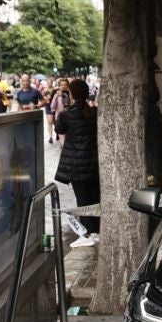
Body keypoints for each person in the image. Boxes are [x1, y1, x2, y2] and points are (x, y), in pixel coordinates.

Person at [53, 77, 99, 242]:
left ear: (71, 94)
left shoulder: (67, 114)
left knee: (83, 199)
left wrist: (65, 108)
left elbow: (59, 129)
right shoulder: (94, 112)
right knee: (95, 197)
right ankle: (97, 229)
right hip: (93, 163)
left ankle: (88, 232)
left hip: (75, 165)